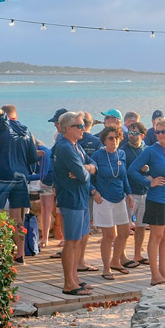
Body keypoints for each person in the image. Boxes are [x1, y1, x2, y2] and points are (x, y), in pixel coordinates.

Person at [129, 119, 165, 286]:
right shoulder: (151, 151)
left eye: (163, 131)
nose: (159, 134)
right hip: (157, 199)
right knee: (157, 236)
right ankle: (155, 275)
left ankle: (164, 271)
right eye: (157, 132)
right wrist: (149, 182)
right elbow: (132, 170)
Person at [52, 111, 97, 296]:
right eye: (79, 125)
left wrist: (86, 168)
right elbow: (82, 175)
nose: (84, 128)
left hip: (80, 197)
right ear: (68, 128)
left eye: (84, 124)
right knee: (70, 242)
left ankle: (75, 278)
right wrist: (85, 170)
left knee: (77, 240)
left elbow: (92, 165)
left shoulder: (75, 145)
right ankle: (68, 283)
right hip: (71, 198)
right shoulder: (64, 148)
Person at [0, 104, 38, 264]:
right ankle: (21, 254)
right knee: (17, 218)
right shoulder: (27, 131)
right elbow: (32, 158)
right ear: (16, 116)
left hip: (3, 176)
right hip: (21, 177)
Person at [92, 126, 134, 281]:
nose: (114, 140)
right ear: (104, 139)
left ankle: (116, 261)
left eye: (117, 137)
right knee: (109, 235)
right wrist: (93, 192)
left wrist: (129, 193)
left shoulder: (121, 154)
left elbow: (124, 176)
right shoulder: (97, 155)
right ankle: (106, 268)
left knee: (124, 233)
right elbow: (89, 178)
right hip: (104, 199)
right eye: (111, 138)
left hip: (120, 198)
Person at [120, 123, 149, 267]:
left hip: (144, 192)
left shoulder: (146, 150)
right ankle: (122, 256)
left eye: (135, 133)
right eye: (130, 132)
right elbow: (123, 172)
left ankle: (138, 254)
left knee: (141, 226)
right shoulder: (123, 150)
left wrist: (148, 170)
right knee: (125, 227)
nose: (130, 135)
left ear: (142, 136)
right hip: (130, 192)